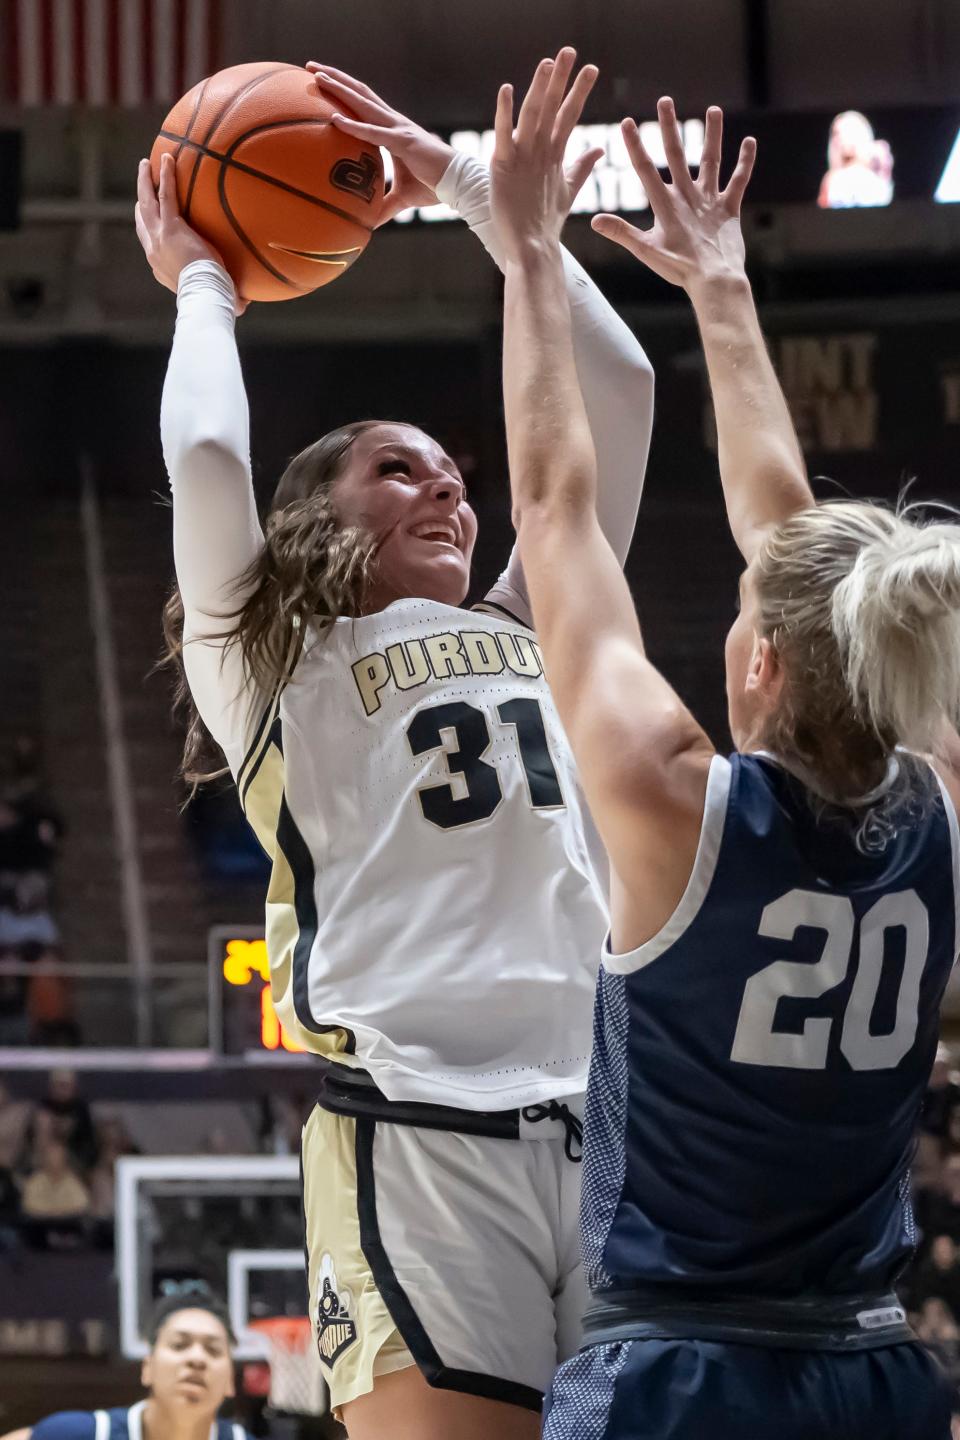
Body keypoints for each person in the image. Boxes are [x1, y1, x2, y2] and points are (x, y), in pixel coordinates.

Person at [134, 53, 653, 1440]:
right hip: (413, 1131)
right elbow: (202, 467)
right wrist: (203, 281)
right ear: (320, 515)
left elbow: (624, 390)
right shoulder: (269, 662)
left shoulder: (543, 615)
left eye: (457, 476)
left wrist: (468, 188)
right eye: (399, 469)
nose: (447, 489)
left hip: (607, 1127)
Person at [491, 55, 957, 1440]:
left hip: (680, 1376)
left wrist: (528, 252)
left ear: (754, 664)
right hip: (872, 1375)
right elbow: (807, 559)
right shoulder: (940, 808)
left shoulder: (673, 796)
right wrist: (722, 285)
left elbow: (555, 513)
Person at [8, 1288, 249, 1440]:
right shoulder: (79, 1434)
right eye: (179, 1345)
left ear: (230, 1381)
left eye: (213, 1350)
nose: (197, 1359)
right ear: (147, 1368)